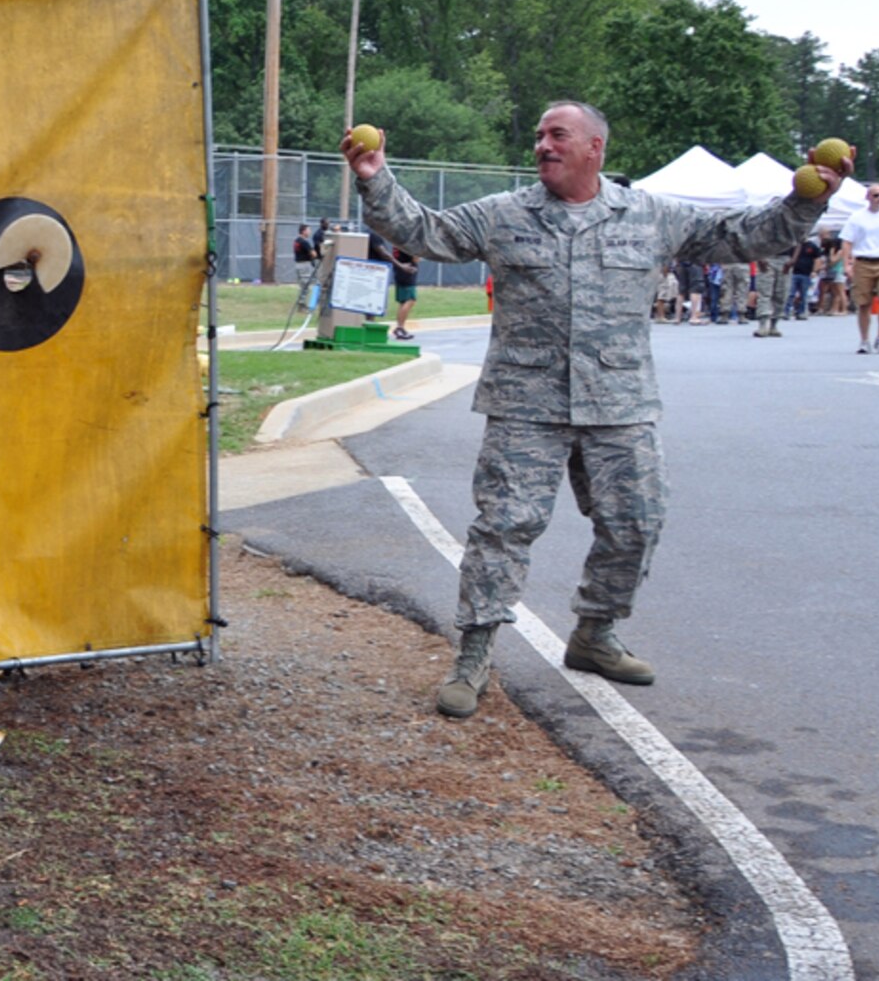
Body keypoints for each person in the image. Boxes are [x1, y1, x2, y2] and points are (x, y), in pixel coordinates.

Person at [341, 102, 843, 719]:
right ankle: (474, 655)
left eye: (558, 135)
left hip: (619, 402)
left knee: (636, 522)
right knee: (504, 528)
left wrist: (807, 201)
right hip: (527, 403)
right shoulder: (504, 215)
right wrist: (374, 175)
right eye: (539, 136)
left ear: (594, 148)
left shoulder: (651, 215)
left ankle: (594, 634)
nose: (543, 145)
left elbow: (744, 236)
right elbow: (424, 231)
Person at [838, 183, 879, 353]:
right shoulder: (857, 217)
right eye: (875, 195)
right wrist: (847, 264)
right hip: (863, 262)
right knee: (863, 303)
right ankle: (864, 340)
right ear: (867, 197)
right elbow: (846, 241)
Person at [785, 236, 822, 321]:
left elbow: (817, 259)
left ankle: (801, 312)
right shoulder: (793, 246)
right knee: (790, 293)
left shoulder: (812, 246)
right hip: (793, 273)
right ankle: (786, 312)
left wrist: (815, 271)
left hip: (806, 274)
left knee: (804, 295)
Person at [390, 245, 420, 340]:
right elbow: (415, 259)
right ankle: (400, 327)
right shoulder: (408, 242)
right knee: (411, 299)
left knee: (403, 301)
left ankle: (400, 327)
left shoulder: (397, 241)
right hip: (408, 270)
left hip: (399, 270)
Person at [293, 224, 318, 292]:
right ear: (304, 231)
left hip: (298, 264)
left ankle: (301, 300)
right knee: (306, 284)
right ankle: (303, 300)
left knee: (302, 284)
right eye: (309, 230)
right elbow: (314, 254)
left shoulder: (296, 240)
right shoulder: (304, 242)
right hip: (305, 265)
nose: (310, 232)